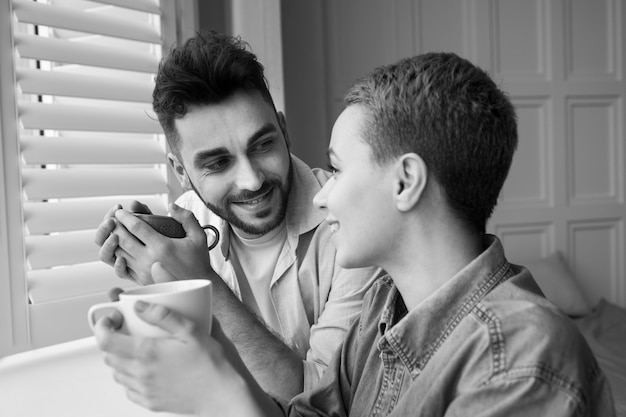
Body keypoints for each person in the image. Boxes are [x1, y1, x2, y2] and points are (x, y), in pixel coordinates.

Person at [94, 52, 616, 416]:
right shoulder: (382, 315)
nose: (320, 194)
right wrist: (199, 347)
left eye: (338, 171)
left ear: (406, 181)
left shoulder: (521, 362)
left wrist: (215, 391)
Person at [93, 30, 382, 400]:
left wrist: (201, 285)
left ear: (284, 130)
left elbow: (318, 400)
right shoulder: (187, 229)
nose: (252, 179)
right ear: (181, 172)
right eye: (218, 163)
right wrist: (155, 268)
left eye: (262, 144)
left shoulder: (355, 227)